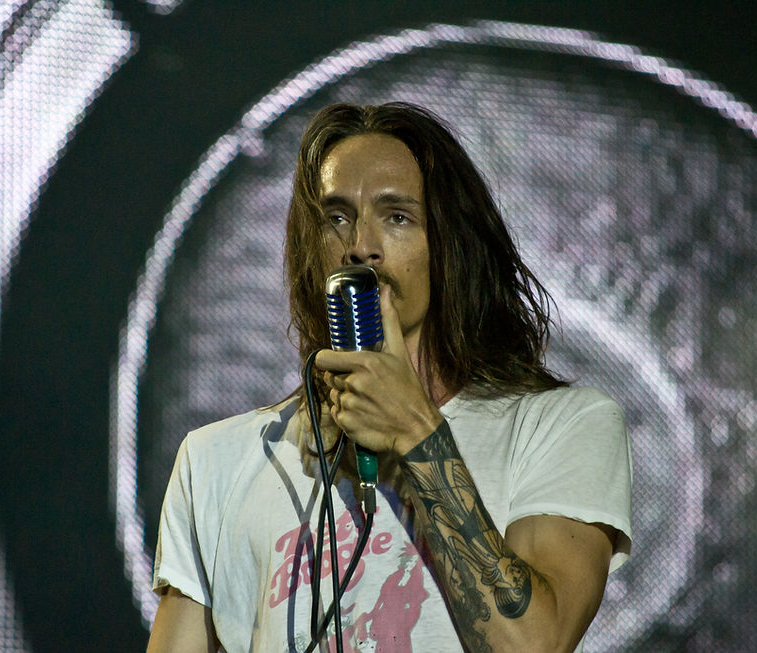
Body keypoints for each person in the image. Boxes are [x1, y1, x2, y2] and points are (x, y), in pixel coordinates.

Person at [147, 102, 632, 653]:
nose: (360, 245)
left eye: (397, 216)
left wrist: (415, 432)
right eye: (337, 218)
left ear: (449, 245)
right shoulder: (216, 461)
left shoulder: (561, 426)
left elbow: (533, 645)